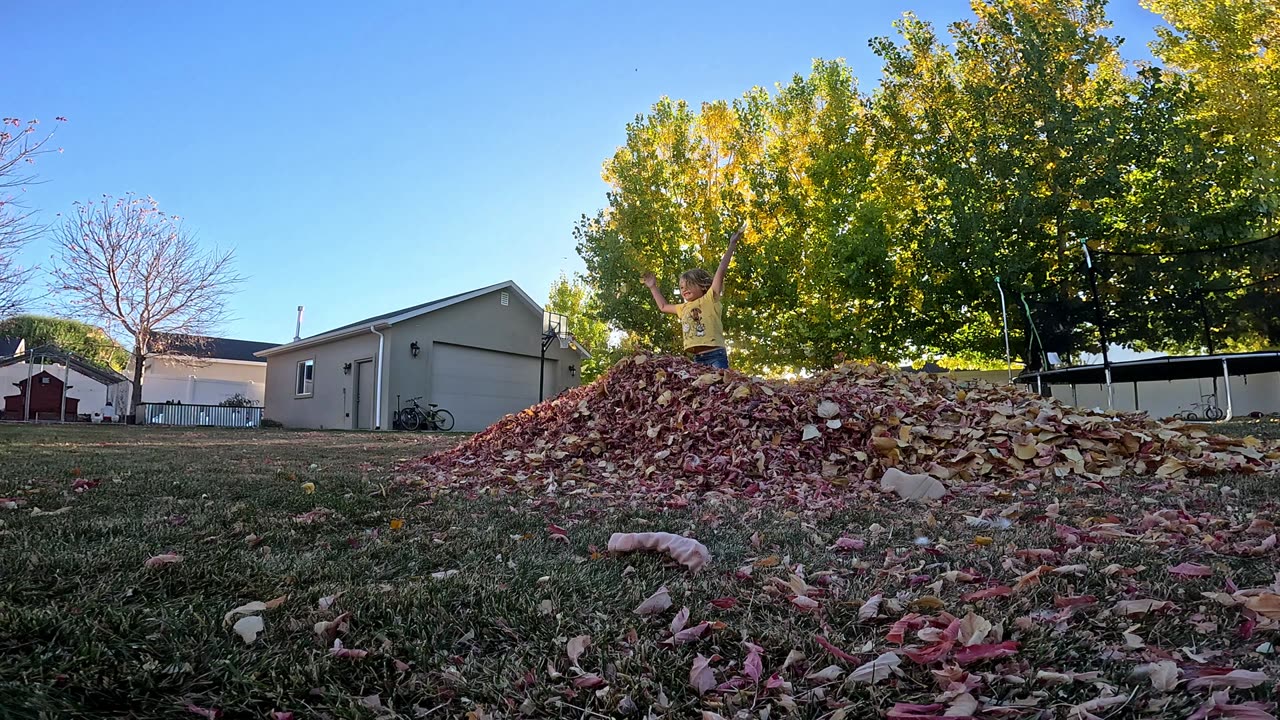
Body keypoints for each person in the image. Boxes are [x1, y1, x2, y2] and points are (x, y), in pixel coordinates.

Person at [642, 223, 744, 369]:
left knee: (719, 387)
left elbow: (720, 271)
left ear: (702, 285)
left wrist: (732, 245)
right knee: (700, 389)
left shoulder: (709, 298)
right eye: (681, 287)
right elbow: (663, 306)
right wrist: (653, 287)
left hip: (715, 355)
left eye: (689, 285)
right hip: (697, 359)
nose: (684, 289)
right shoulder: (683, 308)